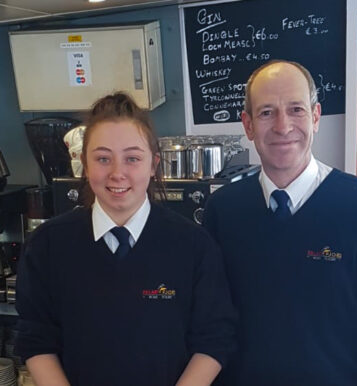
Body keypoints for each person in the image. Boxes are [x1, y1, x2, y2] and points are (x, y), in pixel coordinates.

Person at [16, 92, 236, 386]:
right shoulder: (48, 245)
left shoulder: (194, 246)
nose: (118, 173)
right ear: (85, 163)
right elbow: (37, 338)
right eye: (103, 158)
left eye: (132, 158)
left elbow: (214, 338)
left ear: (153, 164)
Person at [203, 60, 357, 386]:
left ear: (315, 117)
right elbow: (213, 320)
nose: (283, 126)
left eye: (296, 109)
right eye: (266, 112)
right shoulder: (223, 210)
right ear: (247, 125)